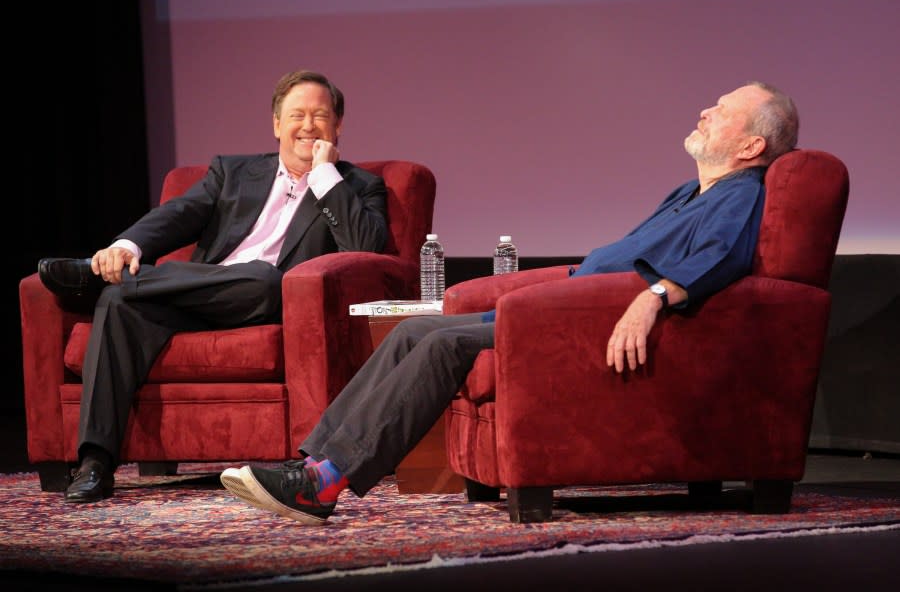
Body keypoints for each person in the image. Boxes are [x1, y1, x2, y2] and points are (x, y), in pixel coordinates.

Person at [220, 81, 800, 525]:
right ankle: (311, 463)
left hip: (581, 323)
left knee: (443, 343)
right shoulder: (689, 192)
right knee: (417, 330)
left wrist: (652, 297)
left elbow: (723, 261)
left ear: (751, 144)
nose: (705, 111)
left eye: (721, 111)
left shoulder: (741, 194)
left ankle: (324, 482)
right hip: (563, 307)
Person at [37, 69, 389, 503]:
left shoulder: (357, 186)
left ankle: (101, 281)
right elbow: (178, 215)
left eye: (320, 115)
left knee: (263, 277)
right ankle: (95, 463)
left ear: (338, 126)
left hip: (265, 299)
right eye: (297, 114)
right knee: (118, 299)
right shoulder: (233, 172)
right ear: (277, 124)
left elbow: (366, 250)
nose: (308, 125)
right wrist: (125, 246)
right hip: (198, 298)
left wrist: (323, 176)